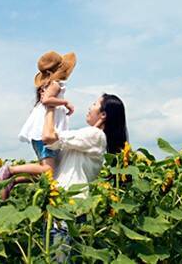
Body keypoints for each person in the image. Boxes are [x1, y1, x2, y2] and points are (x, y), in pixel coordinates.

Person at [42, 93, 129, 263]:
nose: (90, 107)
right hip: (63, 207)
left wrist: (50, 105)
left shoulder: (95, 135)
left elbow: (48, 136)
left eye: (94, 103)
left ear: (103, 114)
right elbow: (51, 143)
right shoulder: (87, 138)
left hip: (66, 208)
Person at [0, 51, 76, 199]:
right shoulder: (56, 84)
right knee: (48, 171)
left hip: (39, 132)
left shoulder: (47, 85)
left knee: (49, 176)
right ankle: (11, 170)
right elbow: (47, 100)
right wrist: (66, 103)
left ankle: (13, 181)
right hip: (43, 132)